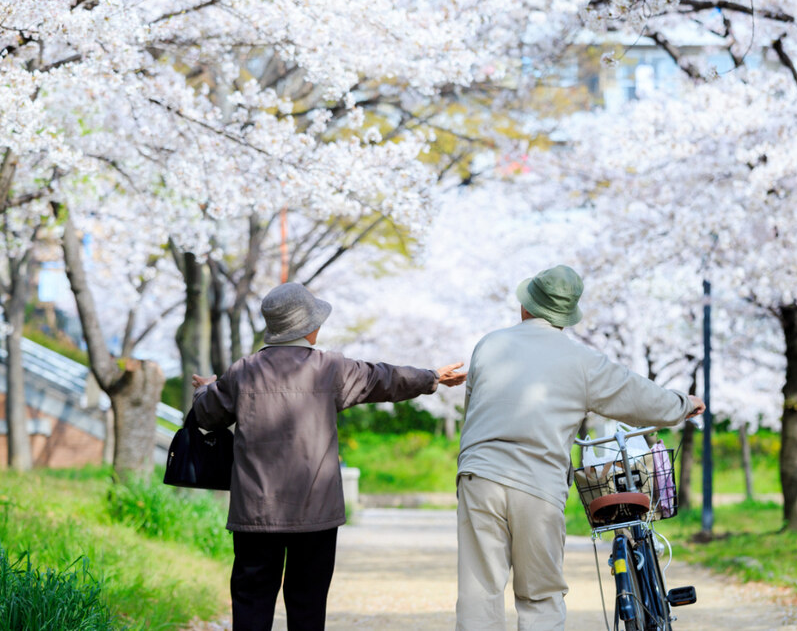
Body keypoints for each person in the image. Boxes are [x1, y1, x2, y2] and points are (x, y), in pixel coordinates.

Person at [190, 282, 466, 631]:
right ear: (309, 327)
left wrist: (205, 389)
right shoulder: (331, 368)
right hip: (315, 511)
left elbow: (206, 415)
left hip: (256, 513)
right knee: (308, 605)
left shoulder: (243, 371)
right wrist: (431, 378)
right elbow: (384, 378)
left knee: (251, 602)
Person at [455, 265, 704, 631]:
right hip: (537, 485)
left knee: (479, 593)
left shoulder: (489, 345)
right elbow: (637, 396)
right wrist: (683, 404)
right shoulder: (582, 361)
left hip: (480, 476)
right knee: (540, 596)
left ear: (526, 306)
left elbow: (473, 410)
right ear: (565, 317)